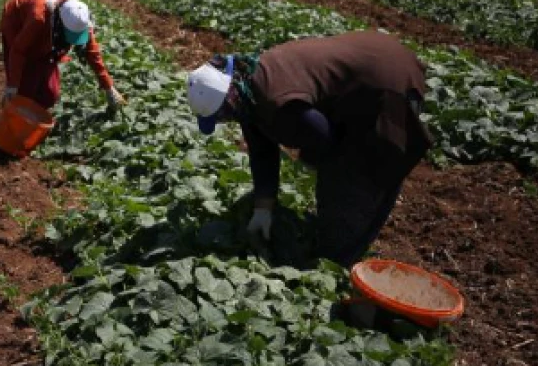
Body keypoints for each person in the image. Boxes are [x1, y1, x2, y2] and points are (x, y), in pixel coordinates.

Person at [186, 31, 433, 267]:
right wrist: (264, 206)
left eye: (221, 117)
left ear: (230, 102)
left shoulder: (279, 105)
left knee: (359, 179)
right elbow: (262, 150)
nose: (224, 122)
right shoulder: (250, 83)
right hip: (373, 53)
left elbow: (328, 142)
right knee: (343, 179)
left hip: (387, 80)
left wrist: (319, 172)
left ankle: (340, 260)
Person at [0, 0, 124, 112]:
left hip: (42, 30)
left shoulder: (80, 20)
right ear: (60, 24)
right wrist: (13, 86)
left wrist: (109, 87)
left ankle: (33, 113)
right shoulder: (38, 19)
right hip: (15, 22)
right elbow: (18, 50)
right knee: (25, 88)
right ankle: (13, 117)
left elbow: (92, 52)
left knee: (49, 95)